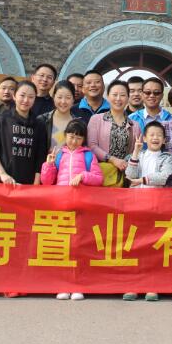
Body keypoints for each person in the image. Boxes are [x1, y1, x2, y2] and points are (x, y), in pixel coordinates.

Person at [40, 119, 103, 301]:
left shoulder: (89, 156)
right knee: (62, 247)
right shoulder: (59, 154)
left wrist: (83, 176)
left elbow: (98, 179)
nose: (74, 141)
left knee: (79, 247)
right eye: (71, 136)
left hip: (82, 207)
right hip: (61, 206)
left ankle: (78, 286)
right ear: (65, 135)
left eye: (78, 138)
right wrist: (49, 165)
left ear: (83, 139)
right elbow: (47, 182)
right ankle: (62, 285)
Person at [124, 121, 172, 302]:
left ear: (164, 140)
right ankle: (134, 285)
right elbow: (130, 175)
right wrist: (135, 152)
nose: (155, 138)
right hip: (136, 206)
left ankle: (152, 286)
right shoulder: (138, 155)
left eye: (159, 135)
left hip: (157, 208)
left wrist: (142, 180)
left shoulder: (167, 158)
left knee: (155, 247)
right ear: (144, 138)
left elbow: (163, 177)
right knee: (136, 247)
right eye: (151, 135)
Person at [0, 81, 48, 186]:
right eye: (22, 95)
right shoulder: (2, 120)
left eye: (31, 97)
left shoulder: (39, 124)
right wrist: (3, 174)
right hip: (3, 182)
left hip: (28, 184)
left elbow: (41, 155)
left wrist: (36, 182)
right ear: (14, 96)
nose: (26, 100)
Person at [87, 80, 142, 187]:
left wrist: (127, 162)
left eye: (122, 95)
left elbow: (137, 152)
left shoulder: (135, 125)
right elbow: (92, 146)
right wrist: (113, 160)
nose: (118, 98)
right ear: (108, 96)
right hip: (101, 174)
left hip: (125, 176)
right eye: (115, 94)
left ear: (128, 98)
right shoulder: (96, 119)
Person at [39, 81, 80, 150]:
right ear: (53, 97)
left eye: (68, 97)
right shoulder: (42, 120)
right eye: (59, 97)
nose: (63, 101)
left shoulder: (78, 124)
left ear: (73, 99)